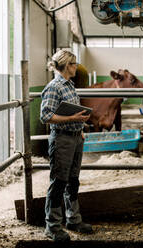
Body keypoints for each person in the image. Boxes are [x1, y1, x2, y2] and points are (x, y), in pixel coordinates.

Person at [40, 50, 92, 242]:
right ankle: (52, 226)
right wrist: (72, 118)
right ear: (65, 65)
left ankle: (73, 219)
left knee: (73, 180)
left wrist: (79, 128)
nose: (76, 67)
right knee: (59, 181)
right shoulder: (54, 87)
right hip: (62, 139)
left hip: (75, 137)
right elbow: (45, 116)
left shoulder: (69, 85)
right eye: (73, 64)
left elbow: (72, 111)